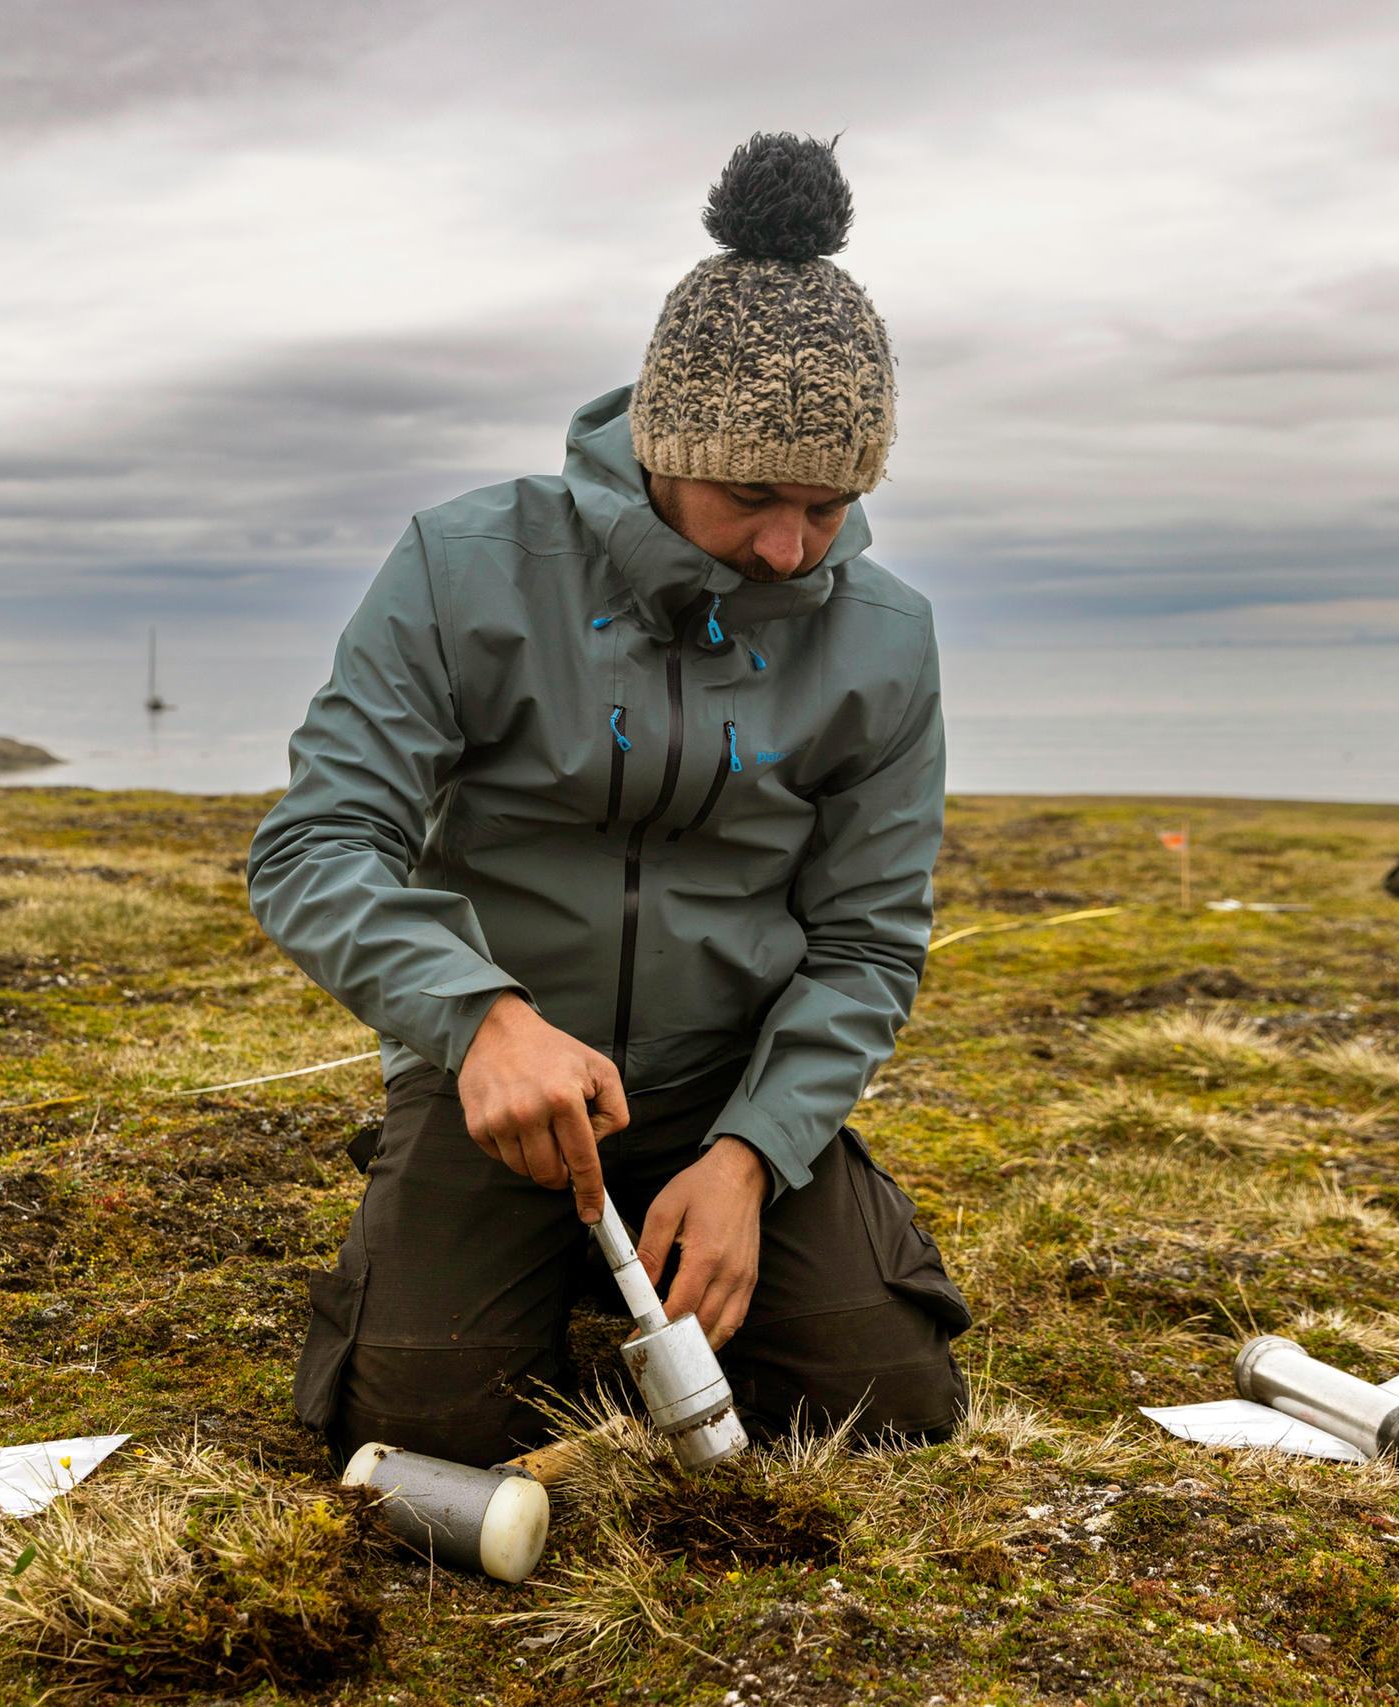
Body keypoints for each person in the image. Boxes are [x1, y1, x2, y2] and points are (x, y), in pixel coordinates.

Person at [248, 133, 970, 1470]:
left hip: (727, 1094)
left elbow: (870, 940)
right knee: (424, 1431)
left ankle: (737, 1209)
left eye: (831, 504)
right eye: (752, 495)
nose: (788, 547)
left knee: (887, 1403)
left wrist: (756, 1153)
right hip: (500, 1091)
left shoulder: (884, 635)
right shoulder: (465, 567)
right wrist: (479, 1022)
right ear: (660, 441)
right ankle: (453, 1218)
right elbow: (317, 845)